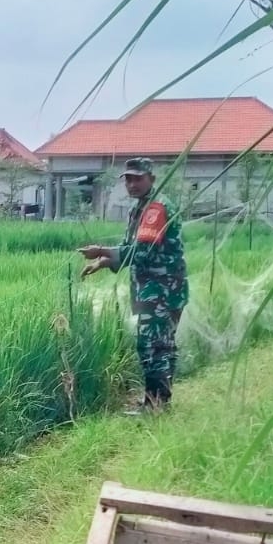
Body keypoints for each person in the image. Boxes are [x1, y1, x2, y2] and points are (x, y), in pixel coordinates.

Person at [77, 157, 190, 414]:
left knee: (153, 346)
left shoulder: (155, 209)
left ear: (152, 178)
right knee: (161, 344)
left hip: (161, 290)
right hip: (154, 290)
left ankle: (155, 404)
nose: (132, 184)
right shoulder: (139, 208)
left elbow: (142, 252)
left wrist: (100, 251)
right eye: (128, 179)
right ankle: (158, 402)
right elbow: (130, 248)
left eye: (138, 178)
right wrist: (103, 262)